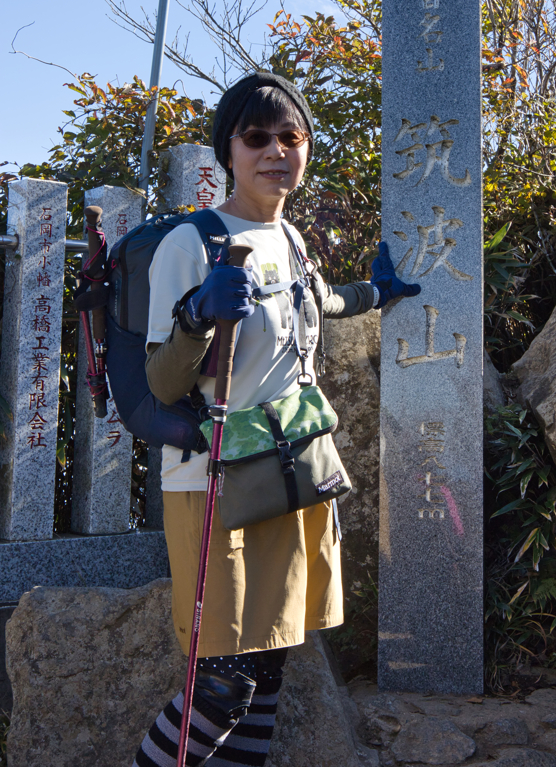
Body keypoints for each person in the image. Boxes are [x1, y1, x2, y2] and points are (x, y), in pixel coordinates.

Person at [133, 71, 421, 767]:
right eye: (256, 137)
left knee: (267, 669)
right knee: (221, 684)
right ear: (227, 150)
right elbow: (162, 383)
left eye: (290, 137)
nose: (275, 152)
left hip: (290, 474)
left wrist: (373, 293)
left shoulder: (288, 238)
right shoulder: (191, 243)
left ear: (306, 148)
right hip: (213, 483)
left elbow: (315, 300)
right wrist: (197, 315)